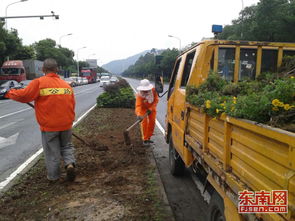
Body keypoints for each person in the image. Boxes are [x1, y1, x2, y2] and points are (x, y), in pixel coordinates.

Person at [2, 58, 76, 182]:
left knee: (52, 151)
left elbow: (24, 96)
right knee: (67, 146)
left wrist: (9, 93)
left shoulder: (39, 83)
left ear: (43, 69)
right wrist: (69, 120)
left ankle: (54, 177)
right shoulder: (66, 85)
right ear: (57, 69)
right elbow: (72, 104)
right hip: (66, 123)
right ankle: (69, 164)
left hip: (49, 126)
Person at [135, 79, 159, 146]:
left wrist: (151, 108)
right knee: (144, 122)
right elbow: (138, 106)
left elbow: (156, 100)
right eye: (144, 90)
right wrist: (139, 115)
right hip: (143, 109)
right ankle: (145, 139)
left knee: (152, 122)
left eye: (146, 90)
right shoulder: (139, 95)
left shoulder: (154, 91)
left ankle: (148, 137)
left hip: (151, 108)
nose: (145, 91)